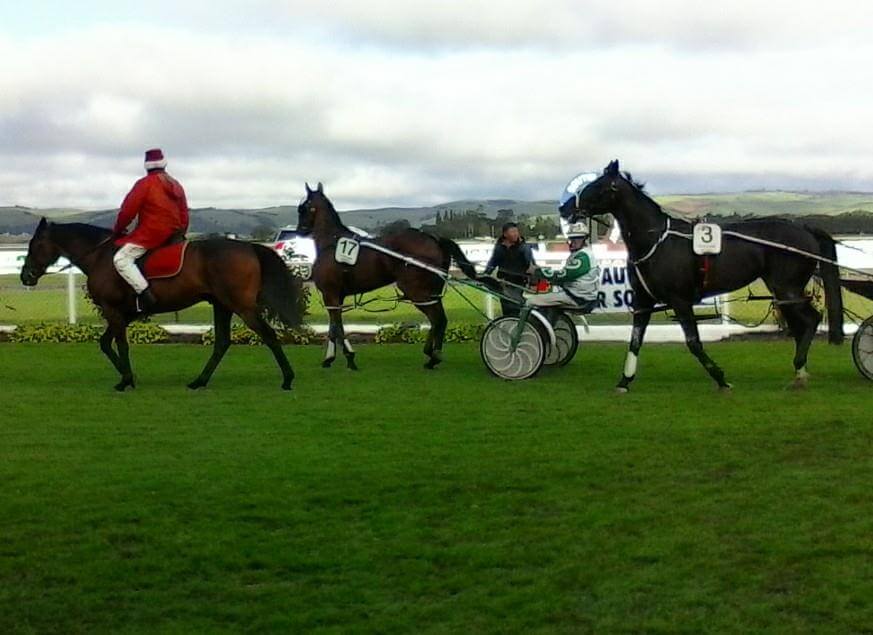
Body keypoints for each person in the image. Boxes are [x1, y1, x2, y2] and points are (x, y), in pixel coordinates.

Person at [113, 148, 189, 312]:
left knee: (121, 260)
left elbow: (128, 211)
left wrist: (118, 229)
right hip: (174, 234)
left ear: (147, 166)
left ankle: (146, 296)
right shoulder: (176, 184)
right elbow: (184, 214)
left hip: (151, 234)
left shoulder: (144, 184)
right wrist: (181, 233)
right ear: (163, 164)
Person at [528, 222, 600, 313]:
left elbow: (564, 274)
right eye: (571, 238)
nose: (573, 241)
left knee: (530, 301)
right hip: (580, 296)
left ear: (584, 239)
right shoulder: (584, 253)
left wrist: (537, 271)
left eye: (577, 238)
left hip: (577, 297)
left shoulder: (583, 257)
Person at [483, 222, 536, 316]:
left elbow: (531, 265)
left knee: (514, 305)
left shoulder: (524, 248)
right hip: (503, 281)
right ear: (505, 234)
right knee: (506, 306)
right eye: (512, 231)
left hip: (518, 282)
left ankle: (517, 322)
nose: (515, 234)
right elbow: (493, 262)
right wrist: (485, 275)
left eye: (516, 231)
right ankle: (509, 323)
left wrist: (533, 282)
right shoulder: (499, 248)